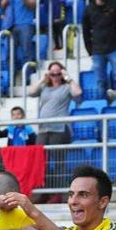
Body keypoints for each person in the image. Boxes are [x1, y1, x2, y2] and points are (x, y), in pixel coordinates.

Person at [27, 62, 82, 200]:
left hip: (60, 128)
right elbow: (31, 92)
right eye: (52, 73)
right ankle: (43, 193)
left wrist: (68, 77)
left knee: (58, 162)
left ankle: (61, 194)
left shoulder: (66, 87)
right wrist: (42, 78)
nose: (55, 76)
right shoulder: (44, 87)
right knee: (40, 162)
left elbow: (78, 93)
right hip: (43, 128)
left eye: (58, 73)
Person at [1, 0, 38, 67]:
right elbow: (2, 5)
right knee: (10, 53)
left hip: (25, 23)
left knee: (26, 52)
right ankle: (11, 75)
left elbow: (34, 6)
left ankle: (28, 74)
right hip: (11, 24)